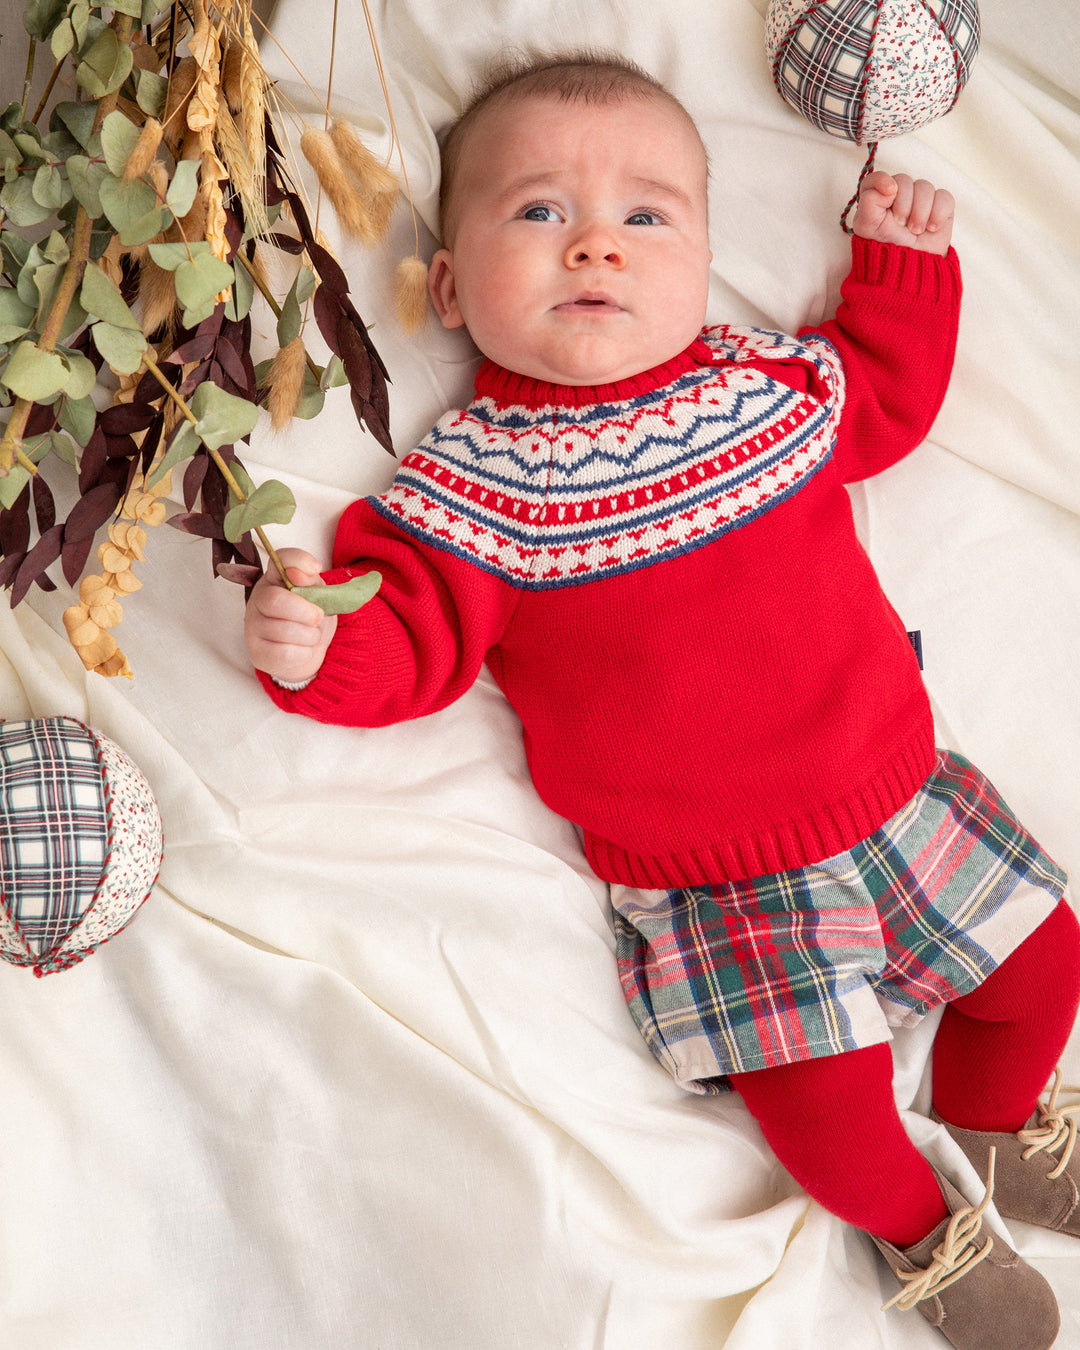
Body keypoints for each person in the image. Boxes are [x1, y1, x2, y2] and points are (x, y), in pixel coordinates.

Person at [244, 52, 1079, 1348]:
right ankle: (926, 1229)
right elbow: (413, 639)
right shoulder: (474, 486)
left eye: (647, 215)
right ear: (449, 288)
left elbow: (884, 398)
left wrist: (901, 270)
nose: (596, 244)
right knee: (828, 1107)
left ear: (704, 259)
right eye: (539, 210)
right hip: (720, 883)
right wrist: (317, 645)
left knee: (1043, 961)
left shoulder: (768, 387)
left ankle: (993, 1126)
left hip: (897, 787)